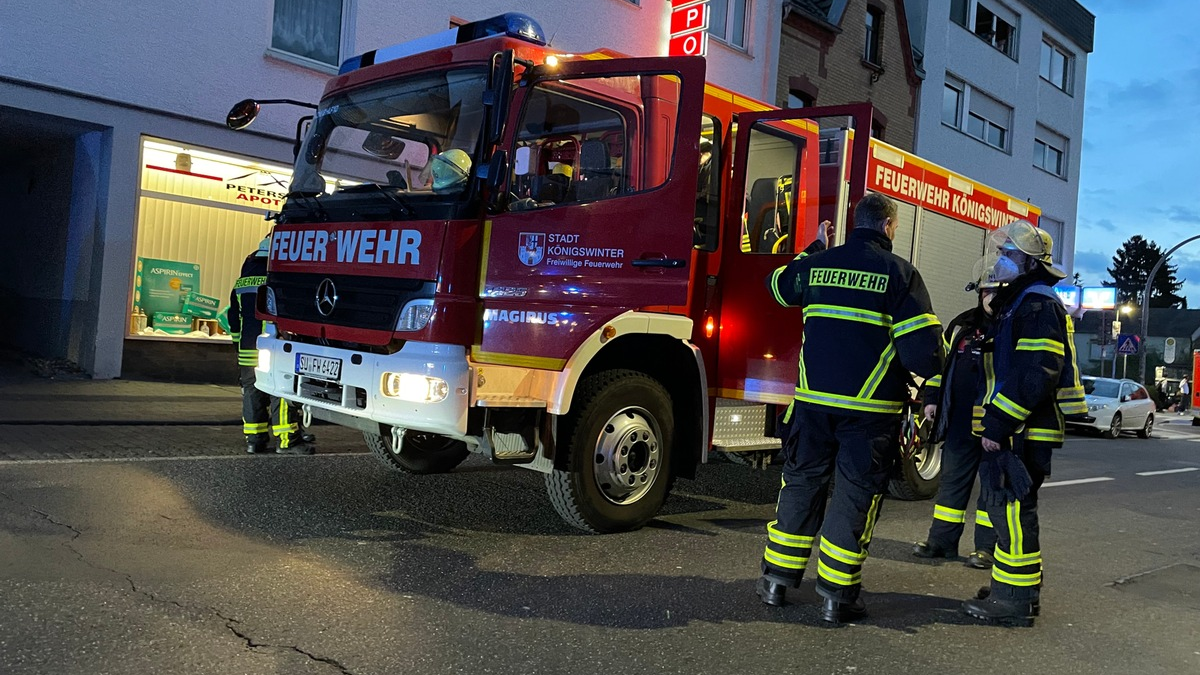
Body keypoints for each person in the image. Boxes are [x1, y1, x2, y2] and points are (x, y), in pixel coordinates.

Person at [757, 193, 944, 624]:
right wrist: (935, 384)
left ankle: (776, 583)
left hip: (811, 406)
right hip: (869, 412)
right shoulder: (899, 273)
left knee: (801, 484)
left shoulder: (819, 266)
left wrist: (813, 249)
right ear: (888, 227)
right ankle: (836, 597)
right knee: (855, 494)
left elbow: (778, 287)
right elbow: (921, 351)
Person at [960, 221, 1074, 626]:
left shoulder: (1037, 304)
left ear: (1028, 261)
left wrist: (998, 424)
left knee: (1012, 512)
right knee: (1007, 511)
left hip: (1021, 432)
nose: (1002, 259)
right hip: (1020, 430)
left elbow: (1036, 372)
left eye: (1009, 254)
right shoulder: (1024, 300)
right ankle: (1014, 590)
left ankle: (1014, 603)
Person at [912, 274, 1002, 569]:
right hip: (961, 422)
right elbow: (941, 366)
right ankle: (941, 542)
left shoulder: (1013, 326)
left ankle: (986, 549)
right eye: (987, 291)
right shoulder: (962, 325)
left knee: (992, 490)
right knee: (951, 485)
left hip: (995, 426)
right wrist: (932, 399)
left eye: (997, 291)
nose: (991, 296)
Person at [228, 237, 315, 455]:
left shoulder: (242, 280)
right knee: (281, 390)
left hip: (247, 347)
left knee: (251, 391)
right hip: (274, 345)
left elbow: (233, 318)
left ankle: (254, 440)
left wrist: (237, 343)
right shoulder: (277, 278)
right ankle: (287, 441)